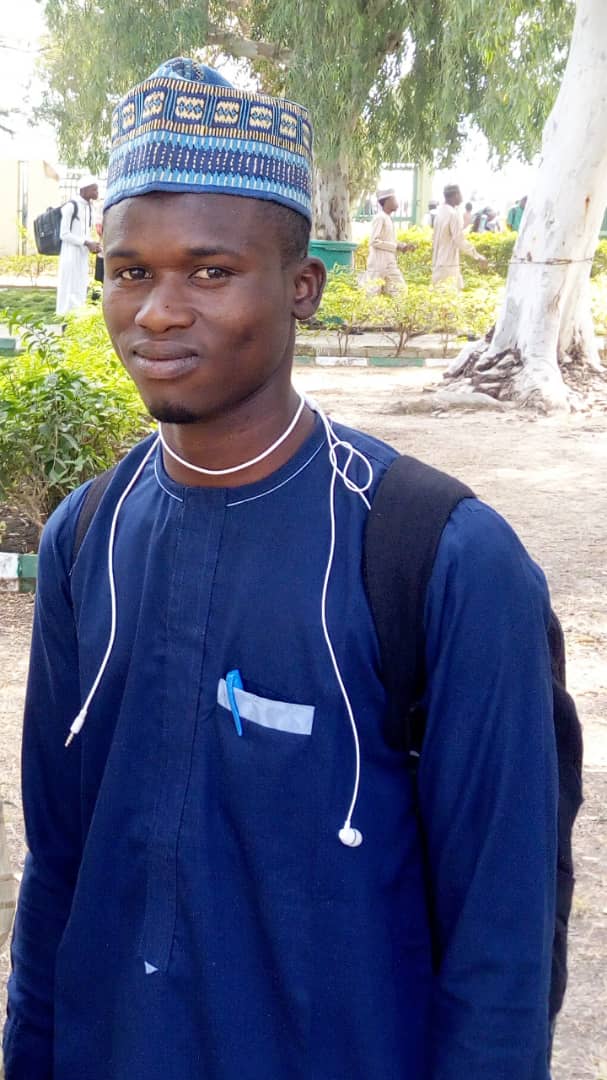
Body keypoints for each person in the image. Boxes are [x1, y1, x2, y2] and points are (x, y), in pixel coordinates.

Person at [4, 58, 558, 1080]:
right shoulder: (87, 537)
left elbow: (504, 934)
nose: (157, 312)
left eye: (209, 272)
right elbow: (59, 865)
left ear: (302, 287)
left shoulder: (436, 557)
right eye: (131, 271)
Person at [55, 178, 102, 317]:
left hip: (82, 254)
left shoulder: (89, 207)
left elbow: (84, 233)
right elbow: (64, 234)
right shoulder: (71, 206)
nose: (97, 192)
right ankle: (65, 321)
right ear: (84, 190)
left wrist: (93, 245)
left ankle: (77, 319)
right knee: (69, 287)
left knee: (80, 286)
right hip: (70, 254)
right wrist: (86, 243)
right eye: (94, 189)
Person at [432, 184, 488, 287]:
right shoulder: (453, 214)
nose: (462, 197)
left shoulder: (439, 213)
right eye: (460, 194)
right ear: (456, 195)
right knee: (450, 293)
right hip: (448, 264)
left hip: (437, 262)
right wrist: (477, 256)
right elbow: (459, 240)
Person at [365, 187, 415, 295]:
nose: (397, 203)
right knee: (372, 293)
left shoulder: (387, 218)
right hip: (378, 262)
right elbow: (374, 241)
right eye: (394, 199)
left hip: (389, 262)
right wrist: (396, 246)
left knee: (400, 290)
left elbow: (388, 240)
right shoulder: (380, 218)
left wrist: (403, 246)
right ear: (387, 201)